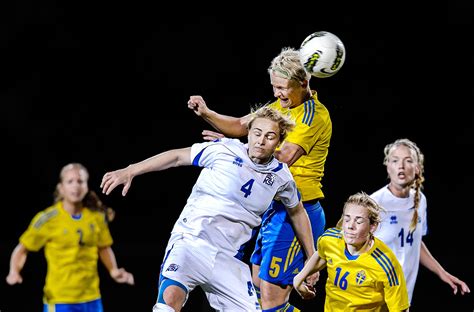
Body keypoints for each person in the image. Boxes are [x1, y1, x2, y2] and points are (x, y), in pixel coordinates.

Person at [100, 105, 316, 312]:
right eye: (257, 133)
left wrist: (311, 256)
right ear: (248, 133)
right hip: (190, 243)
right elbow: (176, 157)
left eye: (269, 136)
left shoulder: (281, 177)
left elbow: (297, 212)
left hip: (228, 259)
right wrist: (131, 170)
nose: (261, 141)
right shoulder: (224, 149)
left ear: (279, 141)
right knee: (168, 303)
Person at [187, 46, 331, 311]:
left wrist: (236, 147)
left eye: (282, 88)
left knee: (271, 302)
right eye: (274, 87)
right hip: (271, 209)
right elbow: (242, 126)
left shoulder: (314, 115)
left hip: (298, 213)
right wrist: (208, 113)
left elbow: (283, 157)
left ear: (304, 83)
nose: (277, 94)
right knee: (255, 292)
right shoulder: (277, 107)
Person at [6, 162, 135, 312]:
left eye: (80, 181)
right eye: (70, 181)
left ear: (86, 186)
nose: (76, 186)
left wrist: (114, 271)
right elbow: (22, 249)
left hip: (92, 298)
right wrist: (14, 271)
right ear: (61, 187)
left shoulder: (97, 218)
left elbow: (103, 247)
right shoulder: (47, 219)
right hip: (60, 299)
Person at [370, 138, 470, 303]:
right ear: (388, 166)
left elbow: (415, 241)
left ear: (417, 168)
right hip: (375, 295)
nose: (401, 166)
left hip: (404, 295)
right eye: (395, 160)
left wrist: (442, 273)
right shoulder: (373, 203)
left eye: (408, 160)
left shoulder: (420, 200)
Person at [293, 191, 410, 311]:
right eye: (347, 219)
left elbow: (400, 309)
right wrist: (299, 279)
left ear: (372, 226)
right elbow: (322, 254)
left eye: (358, 221)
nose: (350, 226)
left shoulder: (386, 264)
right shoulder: (330, 239)